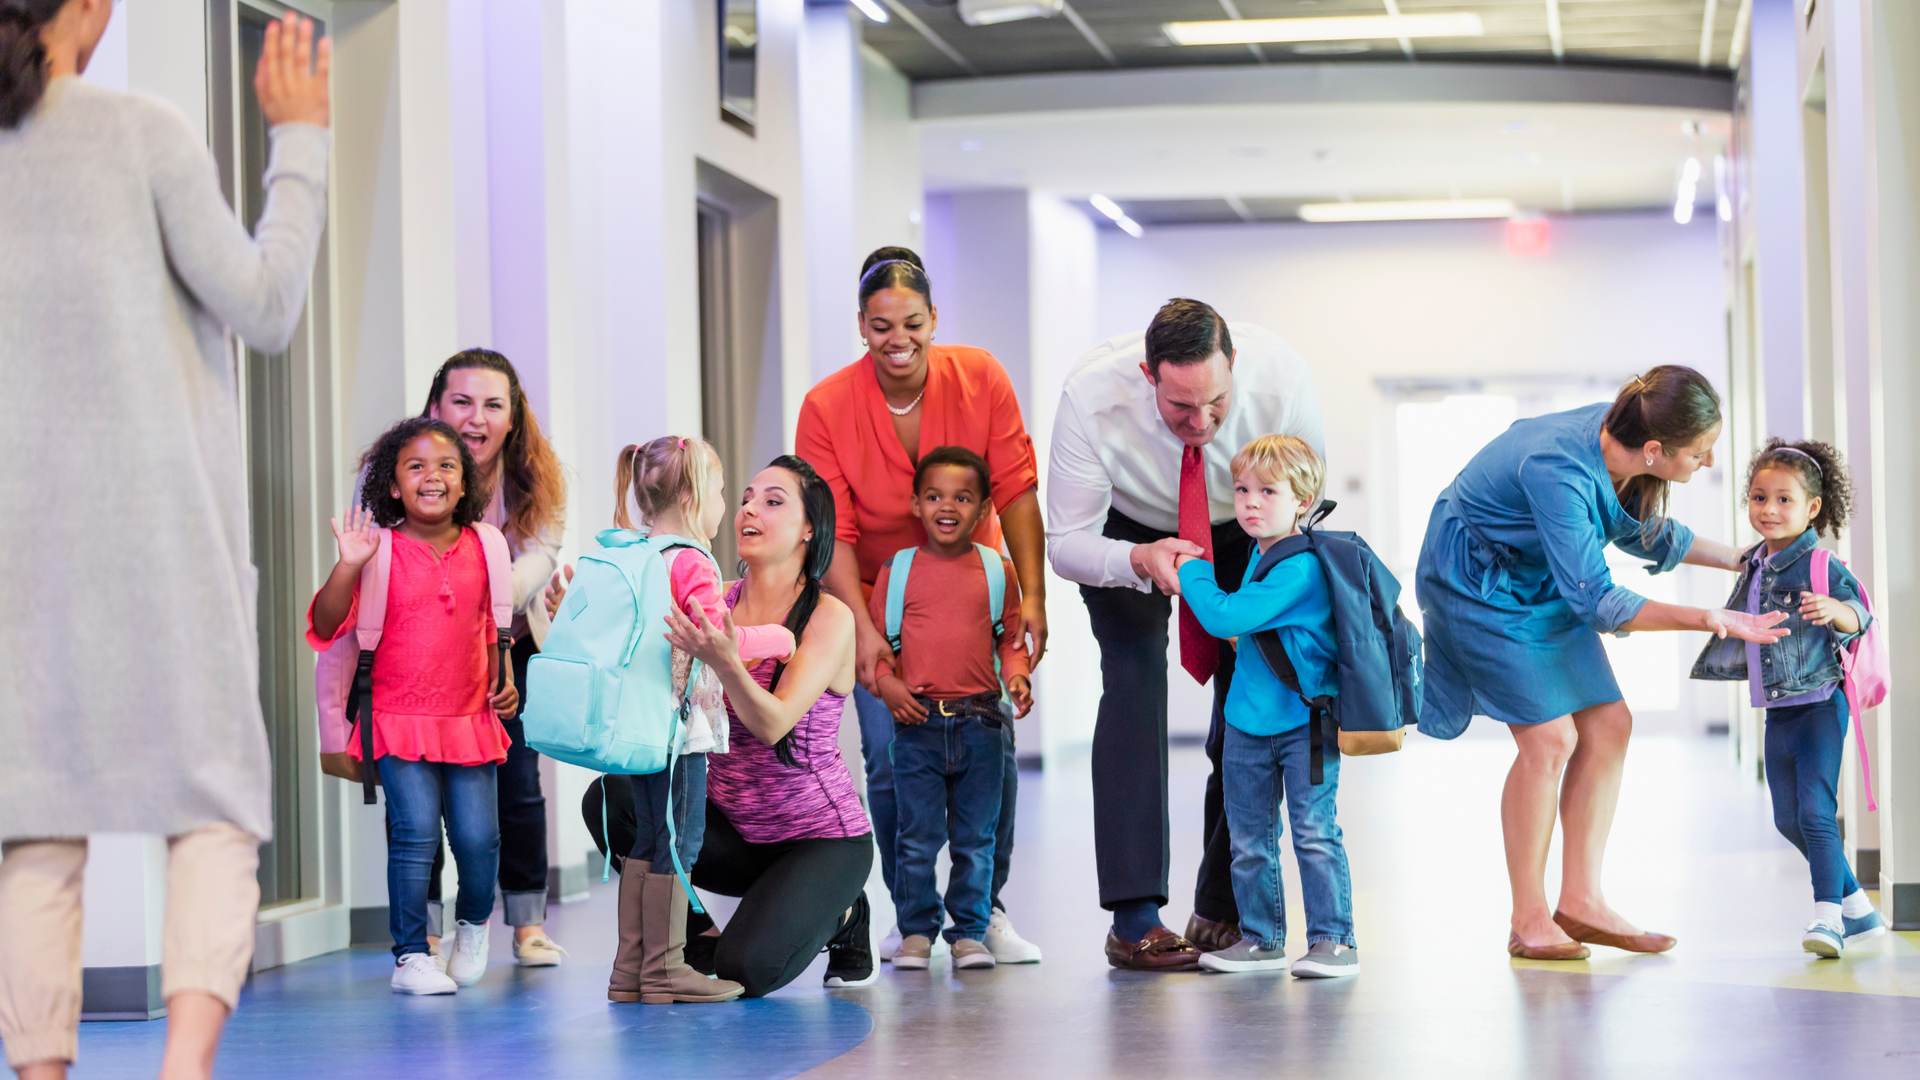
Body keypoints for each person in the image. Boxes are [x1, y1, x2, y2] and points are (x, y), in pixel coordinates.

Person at [0, 5, 329, 1077]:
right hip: (159, 538)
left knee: (35, 829)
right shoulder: (138, 129)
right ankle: (182, 1070)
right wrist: (301, 139)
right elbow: (269, 304)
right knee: (214, 801)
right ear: (86, 8)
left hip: (18, 548)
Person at [1415, 367, 1788, 960]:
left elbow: (1641, 533)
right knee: (1550, 740)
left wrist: (1744, 559)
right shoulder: (1558, 469)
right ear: (1657, 450)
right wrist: (1711, 617)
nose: (1709, 462)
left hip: (1539, 578)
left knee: (1610, 724)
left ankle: (1581, 901)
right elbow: (1597, 600)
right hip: (1475, 588)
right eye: (1700, 452)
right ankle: (1528, 918)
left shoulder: (1622, 437)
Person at [1045, 299, 1324, 970]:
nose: (1200, 423)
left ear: (1234, 365)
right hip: (1126, 528)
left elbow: (1304, 502)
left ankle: (1221, 905)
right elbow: (1067, 543)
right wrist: (1137, 560)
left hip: (1244, 521)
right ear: (1148, 375)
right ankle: (1134, 917)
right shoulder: (1091, 396)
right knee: (1135, 683)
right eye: (1180, 408)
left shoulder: (1282, 377)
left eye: (1216, 404)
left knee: (1255, 704)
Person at [797, 247, 1045, 965]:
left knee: (988, 757)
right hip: (876, 606)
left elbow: (1018, 489)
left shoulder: (982, 377)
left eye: (911, 323)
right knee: (888, 760)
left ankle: (982, 912)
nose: (897, 340)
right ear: (861, 325)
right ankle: (914, 917)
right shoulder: (827, 406)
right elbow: (835, 532)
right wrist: (868, 635)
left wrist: (1031, 599)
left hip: (976, 605)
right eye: (880, 327)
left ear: (934, 318)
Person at [308, 420, 519, 995]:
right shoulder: (379, 549)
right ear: (394, 486)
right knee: (414, 834)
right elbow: (326, 626)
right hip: (397, 718)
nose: (433, 476)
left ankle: (472, 926)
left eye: (447, 465)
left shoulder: (488, 546)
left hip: (470, 719)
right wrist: (348, 563)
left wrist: (506, 683)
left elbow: (493, 629)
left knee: (479, 839)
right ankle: (410, 956)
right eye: (416, 466)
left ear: (464, 480)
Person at [659, 456, 875, 996]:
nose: (751, 508)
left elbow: (773, 723)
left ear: (809, 528)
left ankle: (845, 911)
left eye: (774, 501)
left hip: (820, 840)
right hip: (732, 833)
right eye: (748, 497)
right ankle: (701, 934)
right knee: (611, 800)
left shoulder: (829, 617)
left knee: (748, 970)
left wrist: (728, 661)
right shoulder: (713, 598)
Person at [601, 436, 793, 1005]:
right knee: (679, 841)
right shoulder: (692, 560)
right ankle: (666, 968)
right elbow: (719, 641)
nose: (726, 505)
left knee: (648, 838)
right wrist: (779, 637)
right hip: (680, 730)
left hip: (640, 725)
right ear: (691, 497)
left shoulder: (633, 551)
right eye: (721, 491)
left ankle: (630, 969)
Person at [1690, 439, 1885, 956]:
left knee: (1817, 812)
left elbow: (1861, 615)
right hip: (1778, 711)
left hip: (1821, 703)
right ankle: (1859, 909)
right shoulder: (1756, 562)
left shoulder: (1821, 563)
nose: (1769, 510)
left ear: (1812, 508)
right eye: (1758, 498)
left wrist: (1833, 610)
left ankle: (1828, 920)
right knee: (1786, 818)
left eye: (1783, 500)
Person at [1174, 436, 1357, 979]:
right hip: (1247, 724)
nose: (1249, 502)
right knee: (1250, 840)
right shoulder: (1260, 553)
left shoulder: (1299, 568)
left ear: (1303, 500)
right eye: (1242, 489)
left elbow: (1225, 618)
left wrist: (1192, 569)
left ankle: (1334, 941)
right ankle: (1261, 938)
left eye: (1267, 491)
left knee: (1314, 833)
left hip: (1308, 725)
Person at [415, 350, 569, 967]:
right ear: (436, 406)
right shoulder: (402, 463)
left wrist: (482, 582)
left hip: (510, 648)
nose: (476, 418)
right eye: (462, 401)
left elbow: (541, 556)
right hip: (420, 652)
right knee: (419, 797)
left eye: (493, 405)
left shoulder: (536, 474)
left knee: (518, 787)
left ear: (513, 416)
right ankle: (421, 933)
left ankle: (527, 926)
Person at [869, 447, 1034, 971]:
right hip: (916, 725)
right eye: (935, 496)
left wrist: (1019, 675)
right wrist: (886, 685)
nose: (948, 507)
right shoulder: (897, 573)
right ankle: (917, 931)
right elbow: (873, 648)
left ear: (984, 509)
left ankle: (969, 933)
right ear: (916, 504)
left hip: (981, 725)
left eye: (963, 498)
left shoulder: (996, 569)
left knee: (976, 839)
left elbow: (1009, 638)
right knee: (915, 838)